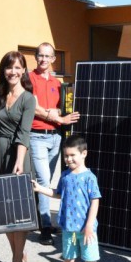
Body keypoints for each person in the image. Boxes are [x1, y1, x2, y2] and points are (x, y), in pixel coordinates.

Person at [32, 134, 102, 262]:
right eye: (66, 156)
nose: (68, 159)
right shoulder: (65, 176)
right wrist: (40, 188)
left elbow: (95, 201)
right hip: (69, 228)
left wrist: (88, 226)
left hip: (87, 230)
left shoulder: (89, 178)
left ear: (84, 153)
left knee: (89, 259)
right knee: (68, 258)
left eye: (72, 155)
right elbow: (58, 193)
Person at [0, 51, 36, 262]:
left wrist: (18, 161)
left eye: (17, 67)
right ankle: (17, 254)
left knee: (19, 213)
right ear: (3, 71)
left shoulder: (28, 98)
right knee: (2, 212)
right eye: (9, 67)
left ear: (23, 70)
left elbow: (24, 133)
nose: (13, 72)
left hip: (18, 155)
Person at [28, 42, 80, 245]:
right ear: (35, 57)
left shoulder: (59, 84)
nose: (44, 59)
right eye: (40, 55)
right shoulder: (28, 79)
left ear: (53, 59)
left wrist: (57, 115)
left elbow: (64, 108)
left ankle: (42, 219)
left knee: (48, 179)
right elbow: (32, 106)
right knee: (43, 180)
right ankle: (45, 226)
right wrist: (56, 116)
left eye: (48, 56)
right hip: (37, 136)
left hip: (55, 137)